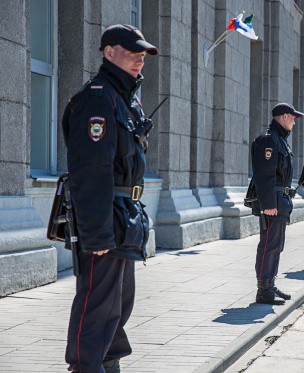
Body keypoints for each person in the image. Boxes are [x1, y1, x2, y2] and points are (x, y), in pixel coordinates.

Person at [63, 24, 158, 373]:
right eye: (133, 53)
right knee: (97, 302)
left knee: (120, 302)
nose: (140, 60)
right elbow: (91, 172)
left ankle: (108, 362)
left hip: (124, 214)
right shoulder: (98, 100)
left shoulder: (123, 98)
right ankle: (86, 366)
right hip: (106, 216)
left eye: (143, 55)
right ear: (108, 52)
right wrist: (97, 232)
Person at [251, 102, 303, 304]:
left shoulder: (279, 139)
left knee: (276, 245)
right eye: (293, 118)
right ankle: (263, 290)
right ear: (283, 117)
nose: (294, 122)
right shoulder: (269, 140)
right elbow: (264, 175)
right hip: (272, 201)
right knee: (269, 245)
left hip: (279, 200)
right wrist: (268, 203)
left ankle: (269, 284)